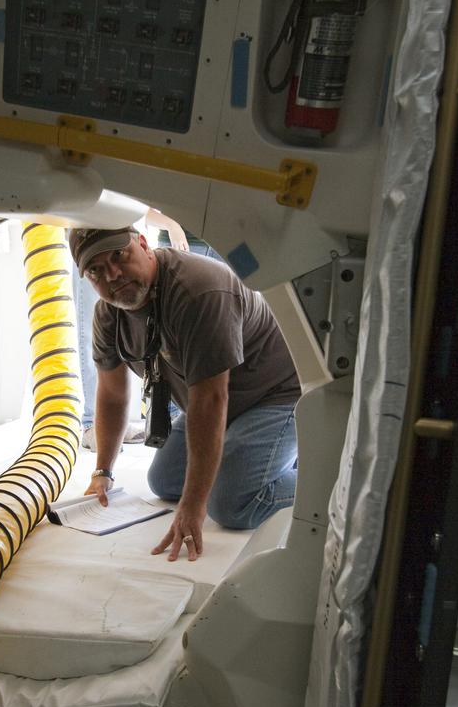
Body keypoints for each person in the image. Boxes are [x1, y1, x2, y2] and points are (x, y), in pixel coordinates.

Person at [72, 226, 302, 562]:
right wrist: (103, 472)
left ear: (144, 244)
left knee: (231, 504)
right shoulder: (108, 316)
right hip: (213, 404)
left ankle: (329, 478)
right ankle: (250, 455)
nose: (113, 275)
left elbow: (211, 400)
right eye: (96, 270)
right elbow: (111, 393)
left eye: (118, 256)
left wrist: (193, 508)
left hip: (275, 395)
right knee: (164, 481)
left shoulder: (199, 289)